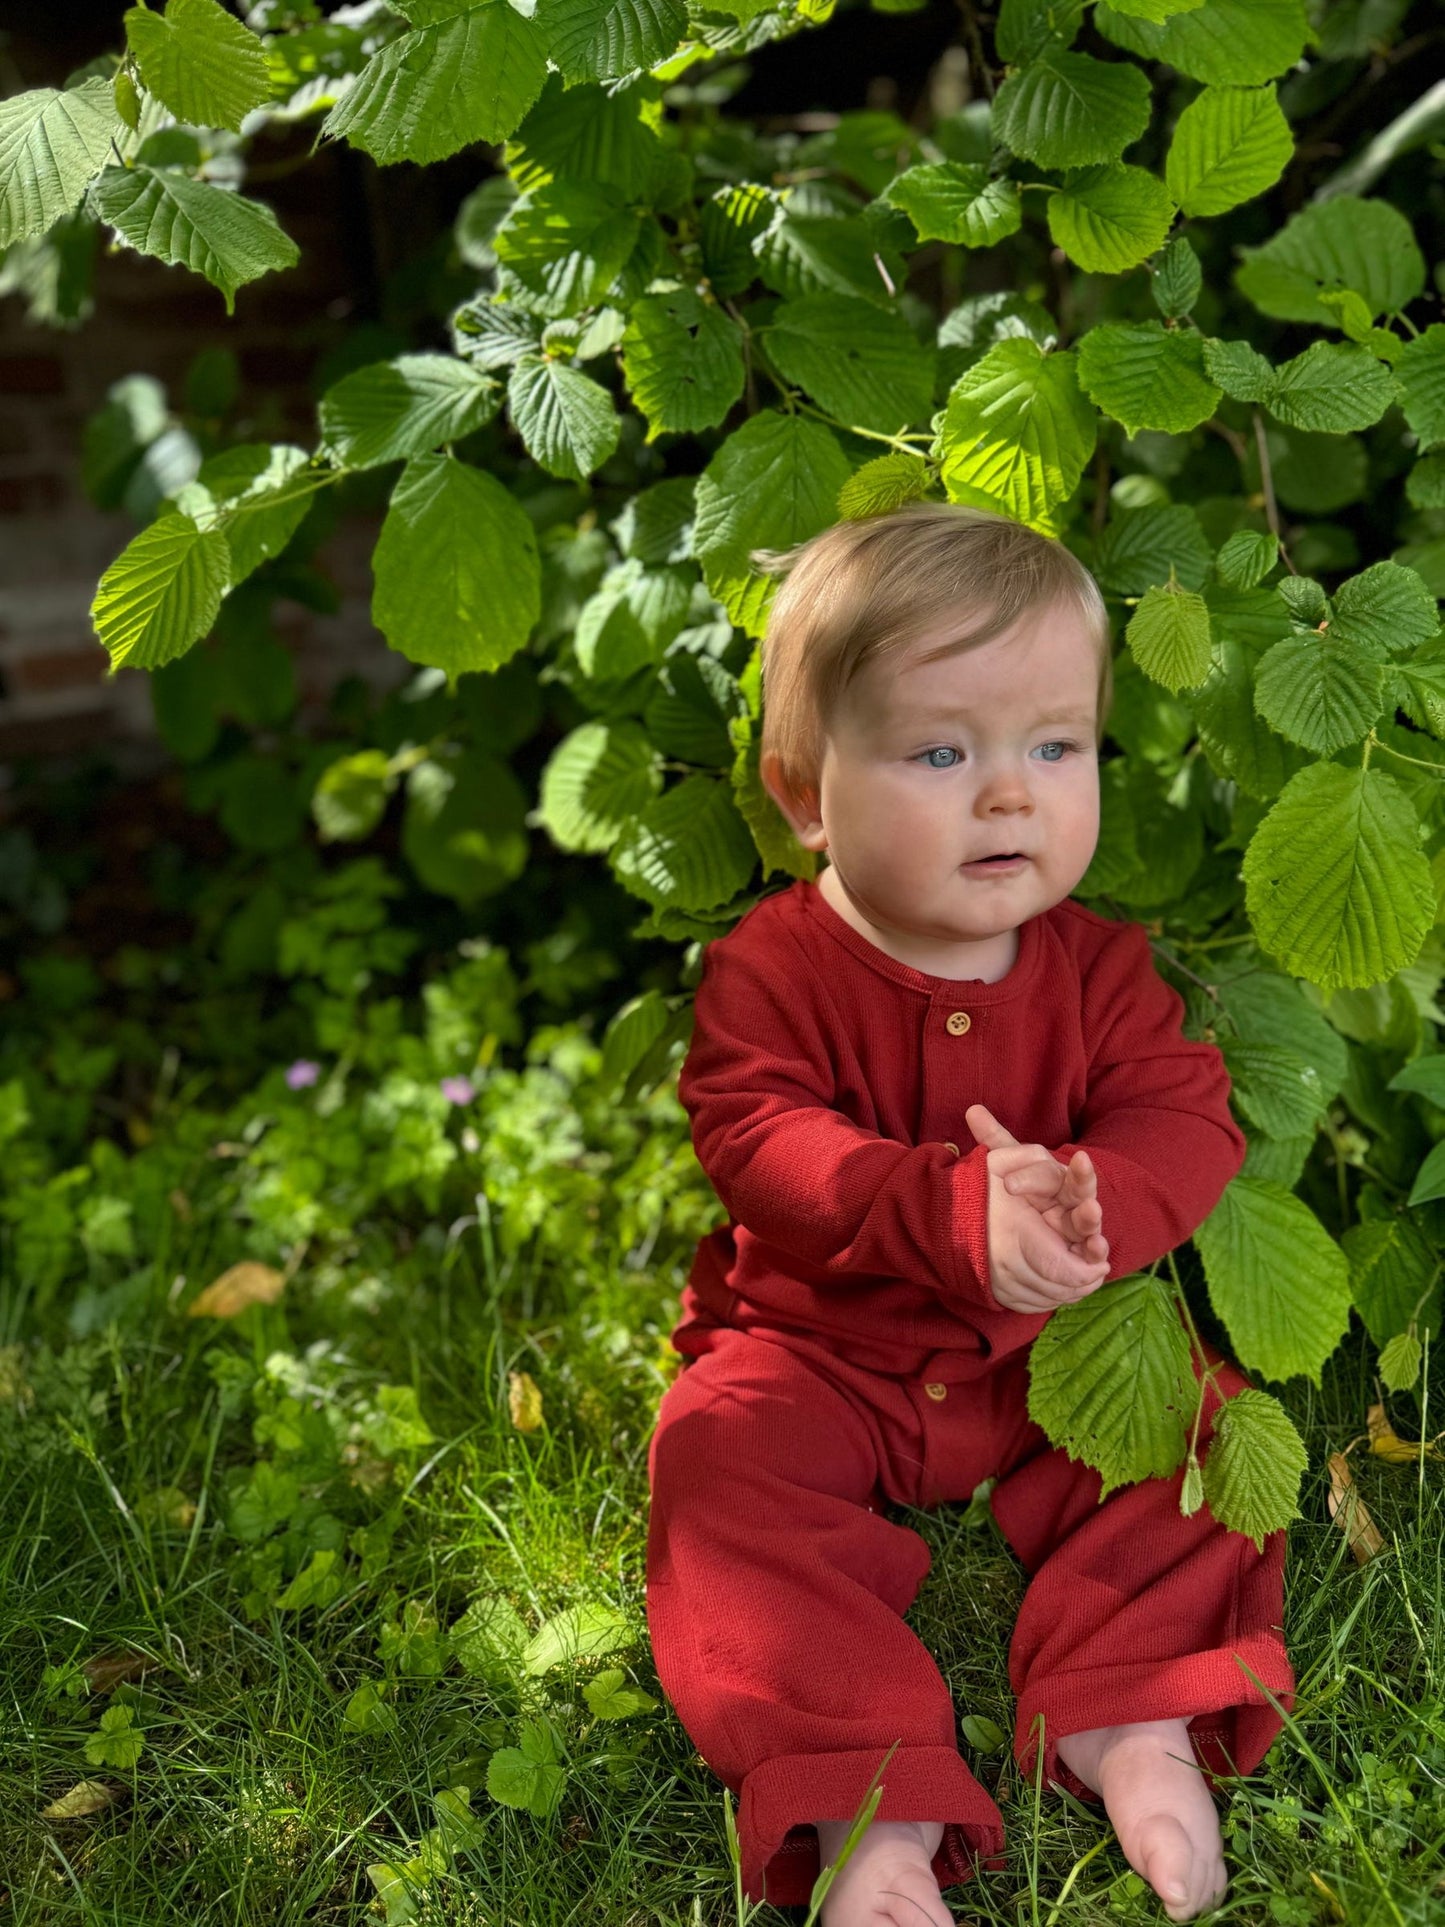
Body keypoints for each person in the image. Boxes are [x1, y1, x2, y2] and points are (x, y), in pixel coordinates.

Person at [644, 503, 1293, 1926]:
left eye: (1052, 747)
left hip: (1040, 1358)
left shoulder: (1099, 970)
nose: (1009, 796)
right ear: (807, 794)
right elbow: (755, 1137)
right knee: (714, 1464)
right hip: (821, 1353)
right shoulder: (773, 967)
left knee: (1194, 1433)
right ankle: (858, 1796)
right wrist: (935, 1208)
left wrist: (1095, 1202)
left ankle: (1135, 1715)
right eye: (941, 753)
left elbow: (1186, 1115)